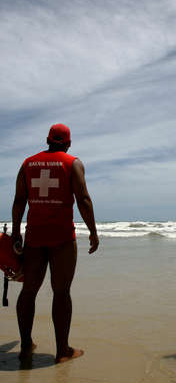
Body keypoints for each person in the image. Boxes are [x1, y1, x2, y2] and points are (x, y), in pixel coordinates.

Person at [11, 123, 99, 363]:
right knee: (61, 292)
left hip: (34, 238)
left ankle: (26, 345)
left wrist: (17, 231)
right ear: (68, 143)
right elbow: (82, 198)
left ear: (47, 140)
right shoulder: (73, 163)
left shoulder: (28, 164)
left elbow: (20, 200)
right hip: (61, 238)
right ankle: (62, 351)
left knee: (28, 290)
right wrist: (92, 230)